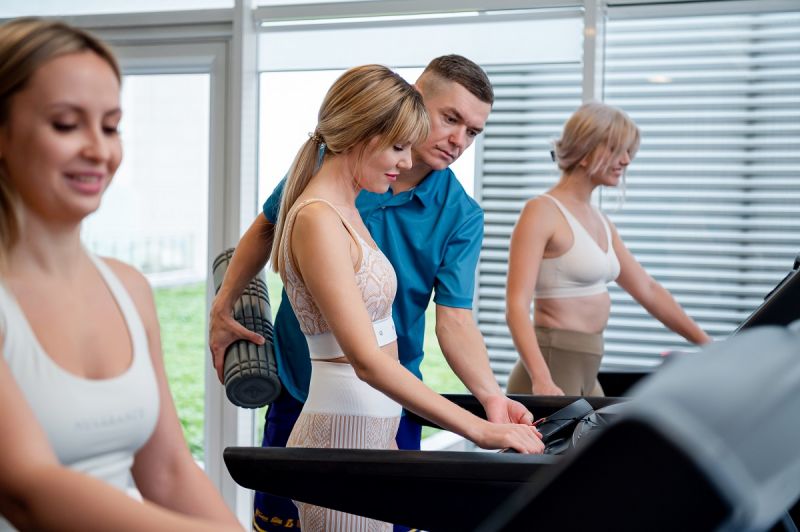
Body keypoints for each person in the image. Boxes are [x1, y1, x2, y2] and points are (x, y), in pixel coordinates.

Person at [209, 56, 542, 531]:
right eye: (451, 119)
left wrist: (491, 399)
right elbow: (267, 228)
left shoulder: (458, 213)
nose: (459, 140)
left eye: (472, 132)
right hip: (306, 386)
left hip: (394, 398)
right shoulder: (329, 178)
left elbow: (455, 320)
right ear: (413, 100)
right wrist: (223, 306)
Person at [0, 18, 241, 532]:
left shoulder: (129, 289)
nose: (99, 150)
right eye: (66, 124)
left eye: (110, 126)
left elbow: (169, 472)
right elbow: (29, 490)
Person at [505, 102, 712, 397]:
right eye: (617, 150)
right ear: (585, 150)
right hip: (551, 368)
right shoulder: (541, 211)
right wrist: (541, 379)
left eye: (629, 152)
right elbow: (516, 306)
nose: (626, 161)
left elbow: (648, 290)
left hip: (587, 370)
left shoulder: (600, 221)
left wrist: (707, 345)